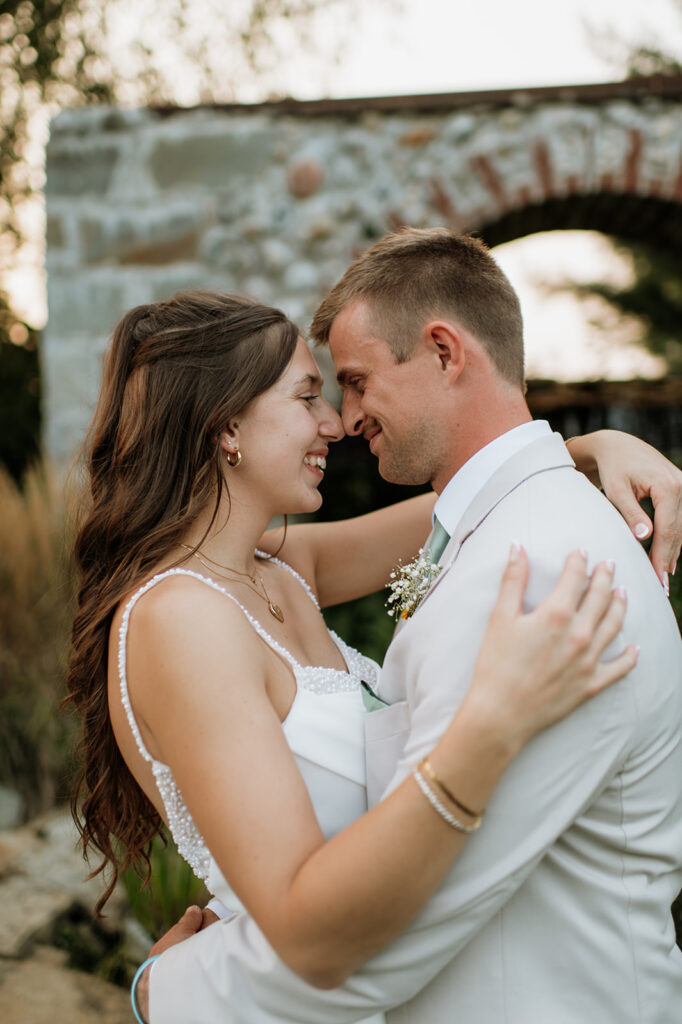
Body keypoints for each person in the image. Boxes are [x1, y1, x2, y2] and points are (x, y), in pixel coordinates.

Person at [141, 233, 682, 1024]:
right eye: (314, 396)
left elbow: (396, 929)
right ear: (224, 429)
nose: (342, 418)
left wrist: (168, 990)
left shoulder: (533, 573)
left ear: (442, 351)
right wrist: (578, 450)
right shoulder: (498, 530)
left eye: (353, 383)